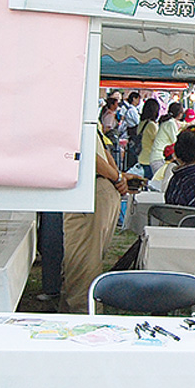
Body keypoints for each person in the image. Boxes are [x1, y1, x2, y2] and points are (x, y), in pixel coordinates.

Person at [61, 124, 127, 313]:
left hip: (91, 188)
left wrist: (117, 177)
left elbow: (89, 153)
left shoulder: (76, 109)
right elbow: (102, 151)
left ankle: (83, 325)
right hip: (97, 187)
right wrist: (117, 177)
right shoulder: (85, 110)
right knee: (83, 266)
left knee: (82, 271)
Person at [149, 101, 185, 177]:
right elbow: (175, 140)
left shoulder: (169, 122)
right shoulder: (170, 123)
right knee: (161, 182)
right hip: (158, 157)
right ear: (179, 114)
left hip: (157, 157)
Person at [134, 98, 160, 179]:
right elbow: (157, 140)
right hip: (149, 159)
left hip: (141, 156)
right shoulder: (151, 125)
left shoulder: (142, 122)